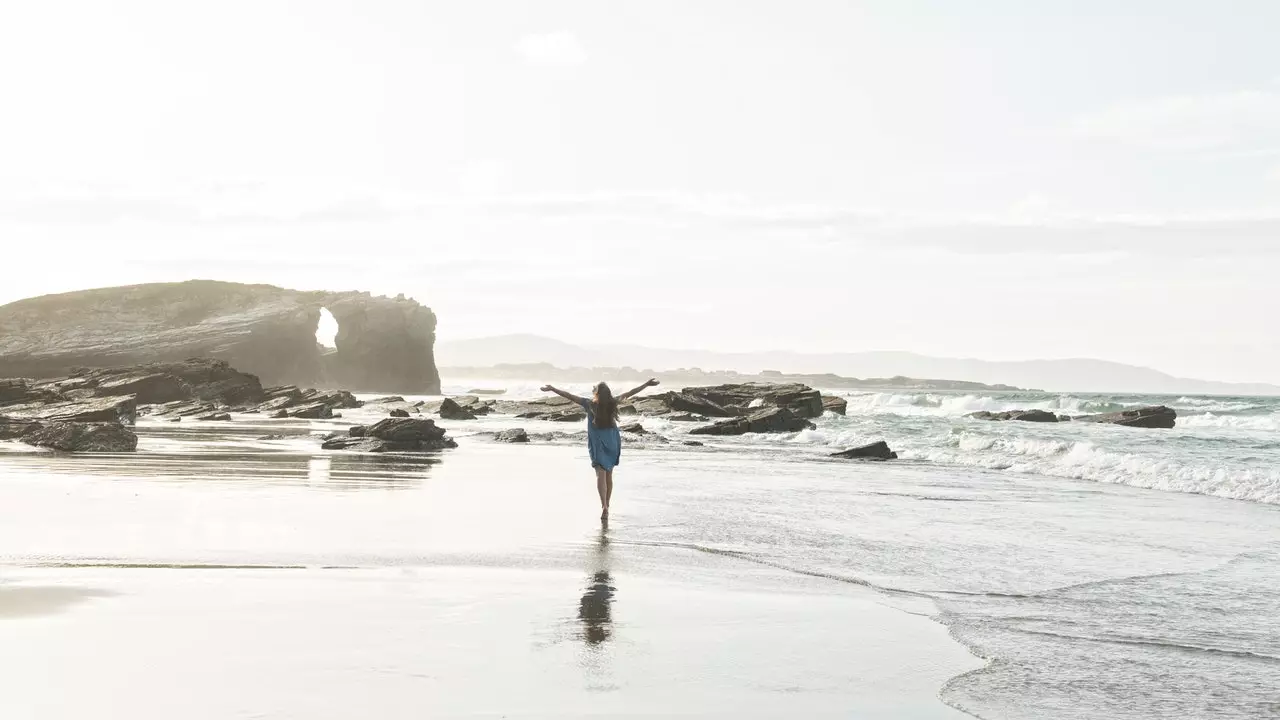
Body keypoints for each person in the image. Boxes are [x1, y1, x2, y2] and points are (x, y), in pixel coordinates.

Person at [540, 378, 660, 520]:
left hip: (598, 443)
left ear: (596, 393)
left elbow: (569, 396)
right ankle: (607, 504)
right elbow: (631, 393)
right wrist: (646, 384)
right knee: (609, 474)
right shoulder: (613, 402)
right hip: (613, 441)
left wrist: (553, 388)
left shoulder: (589, 404)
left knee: (600, 474)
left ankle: (603, 505)